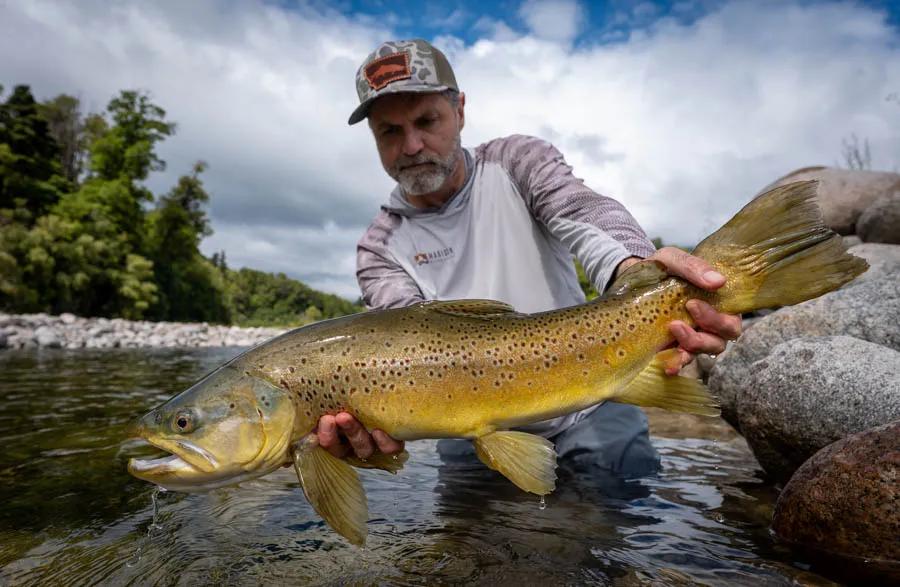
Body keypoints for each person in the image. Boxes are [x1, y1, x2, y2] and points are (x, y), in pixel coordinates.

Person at [315, 39, 741, 474]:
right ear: (373, 138)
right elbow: (405, 349)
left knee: (623, 520)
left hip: (592, 403)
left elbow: (582, 212)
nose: (411, 146)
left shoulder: (516, 162)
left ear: (460, 111)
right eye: (390, 131)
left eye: (427, 121)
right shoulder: (378, 248)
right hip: (470, 436)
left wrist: (637, 272)